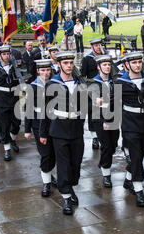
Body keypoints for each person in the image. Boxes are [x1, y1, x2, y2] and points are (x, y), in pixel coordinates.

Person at [39, 51, 86, 215]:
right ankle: (66, 197)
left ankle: (70, 186)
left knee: (76, 163)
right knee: (64, 164)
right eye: (65, 63)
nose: (69, 66)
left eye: (71, 63)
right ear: (58, 65)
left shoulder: (79, 82)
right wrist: (43, 133)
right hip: (58, 129)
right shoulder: (52, 83)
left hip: (76, 129)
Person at [114, 52, 144, 207]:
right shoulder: (120, 82)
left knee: (141, 153)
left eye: (139, 62)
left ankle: (128, 179)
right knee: (135, 156)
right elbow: (113, 103)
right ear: (127, 65)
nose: (137, 65)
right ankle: (138, 189)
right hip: (129, 124)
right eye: (134, 62)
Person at [24, 59, 57, 197]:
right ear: (38, 71)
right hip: (38, 124)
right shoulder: (33, 87)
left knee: (54, 153)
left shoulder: (55, 84)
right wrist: (27, 129)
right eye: (42, 70)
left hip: (54, 123)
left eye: (48, 70)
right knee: (45, 153)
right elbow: (29, 109)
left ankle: (49, 174)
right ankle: (46, 183)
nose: (45, 73)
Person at [90, 55, 120, 188]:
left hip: (114, 116)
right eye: (104, 65)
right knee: (106, 145)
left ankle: (103, 162)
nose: (107, 67)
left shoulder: (114, 81)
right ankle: (106, 175)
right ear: (98, 67)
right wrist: (103, 121)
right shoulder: (93, 83)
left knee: (113, 145)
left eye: (109, 64)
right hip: (100, 119)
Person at [0, 45, 21, 161]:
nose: (6, 56)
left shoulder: (14, 67)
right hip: (1, 100)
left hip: (14, 98)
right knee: (4, 125)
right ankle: (7, 149)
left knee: (17, 123)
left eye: (8, 54)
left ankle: (12, 139)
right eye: (4, 54)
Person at [81, 38, 102, 150]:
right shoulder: (87, 59)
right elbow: (83, 76)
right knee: (93, 115)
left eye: (99, 45)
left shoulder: (104, 57)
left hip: (104, 89)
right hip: (92, 89)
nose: (98, 47)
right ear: (92, 47)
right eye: (96, 45)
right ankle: (95, 138)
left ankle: (103, 135)